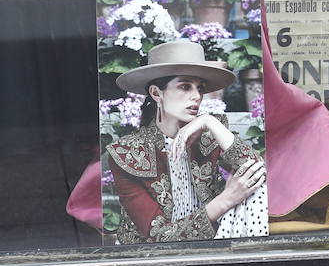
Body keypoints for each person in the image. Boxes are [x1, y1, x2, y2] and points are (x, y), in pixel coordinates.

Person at [106, 39, 266, 243]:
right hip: (152, 262)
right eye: (185, 86)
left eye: (200, 88)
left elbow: (258, 173)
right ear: (156, 93)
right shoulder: (127, 153)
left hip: (213, 247)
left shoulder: (208, 133)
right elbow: (159, 237)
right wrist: (226, 199)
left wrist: (209, 121)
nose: (197, 97)